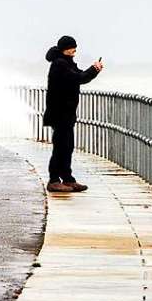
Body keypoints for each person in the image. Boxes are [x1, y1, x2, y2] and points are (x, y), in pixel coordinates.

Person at [44, 35, 103, 193]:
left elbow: (81, 76)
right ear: (65, 48)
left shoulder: (67, 63)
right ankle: (54, 180)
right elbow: (78, 78)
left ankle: (68, 179)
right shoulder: (59, 65)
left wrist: (94, 70)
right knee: (60, 147)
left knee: (67, 146)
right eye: (72, 47)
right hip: (59, 113)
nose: (74, 49)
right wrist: (94, 69)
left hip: (67, 113)